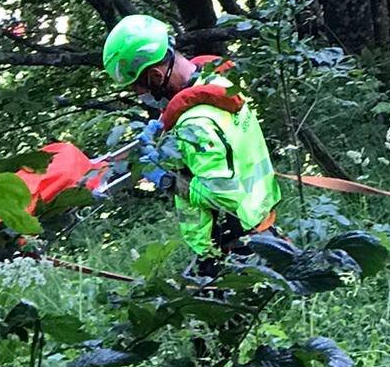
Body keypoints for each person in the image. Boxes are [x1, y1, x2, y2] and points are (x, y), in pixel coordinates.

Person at [101, 15, 282, 259]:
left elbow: (222, 194)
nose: (141, 95)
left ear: (155, 76)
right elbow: (225, 157)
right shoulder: (219, 82)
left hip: (236, 244)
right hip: (261, 222)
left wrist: (166, 179)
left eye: (139, 88)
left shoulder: (196, 124)